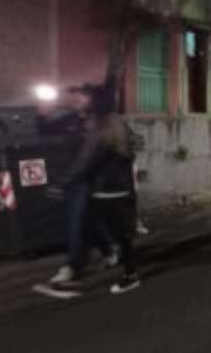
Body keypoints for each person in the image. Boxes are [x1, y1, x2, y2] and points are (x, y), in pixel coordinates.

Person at [39, 86, 140, 296]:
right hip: (107, 187)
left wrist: (63, 183)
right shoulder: (109, 122)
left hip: (106, 187)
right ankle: (109, 264)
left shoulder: (103, 125)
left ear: (95, 102)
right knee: (98, 230)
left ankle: (123, 275)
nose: (78, 102)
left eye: (84, 98)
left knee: (111, 232)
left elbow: (87, 160)